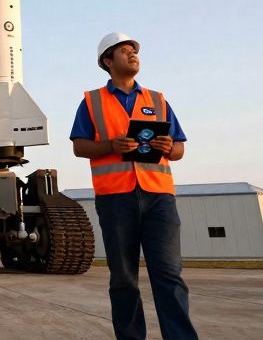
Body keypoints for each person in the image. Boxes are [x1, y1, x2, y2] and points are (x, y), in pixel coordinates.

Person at [71, 32, 198, 340]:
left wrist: (169, 147)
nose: (132, 54)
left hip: (159, 198)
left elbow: (179, 149)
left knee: (169, 275)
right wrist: (111, 145)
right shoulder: (92, 101)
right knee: (124, 278)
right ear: (107, 61)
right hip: (116, 199)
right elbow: (79, 147)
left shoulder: (157, 99)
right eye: (124, 51)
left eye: (134, 51)